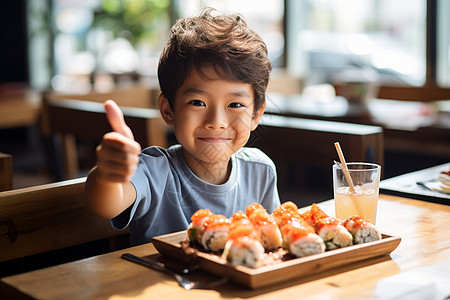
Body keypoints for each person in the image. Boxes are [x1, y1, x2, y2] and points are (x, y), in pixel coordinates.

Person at [85, 9, 281, 246]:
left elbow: (271, 240)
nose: (216, 121)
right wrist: (108, 175)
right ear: (169, 110)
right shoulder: (154, 171)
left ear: (255, 114)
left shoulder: (260, 171)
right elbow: (106, 204)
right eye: (198, 103)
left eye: (235, 104)